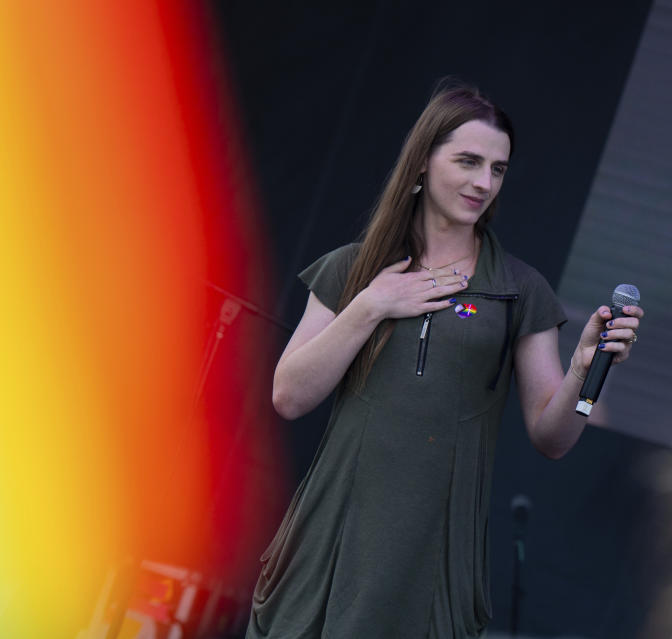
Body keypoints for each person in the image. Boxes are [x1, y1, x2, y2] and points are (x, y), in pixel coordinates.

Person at [245, 82, 644, 638]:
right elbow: (288, 396)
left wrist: (581, 368)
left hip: (434, 558)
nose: (484, 182)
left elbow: (552, 438)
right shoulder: (354, 270)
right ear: (424, 161)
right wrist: (372, 306)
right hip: (331, 540)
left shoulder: (518, 289)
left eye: (498, 169)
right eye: (468, 161)